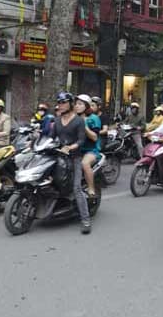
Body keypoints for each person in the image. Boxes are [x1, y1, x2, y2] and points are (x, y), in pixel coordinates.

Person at [52, 91, 91, 234]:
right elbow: (51, 138)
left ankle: (86, 220)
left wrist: (70, 147)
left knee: (77, 188)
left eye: (63, 102)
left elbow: (81, 140)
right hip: (58, 156)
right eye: (59, 103)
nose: (60, 105)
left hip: (74, 157)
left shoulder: (79, 121)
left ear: (70, 104)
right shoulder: (56, 120)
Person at [75, 94, 101, 200]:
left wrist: (84, 126)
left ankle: (91, 188)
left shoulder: (93, 118)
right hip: (76, 149)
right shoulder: (73, 118)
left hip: (91, 150)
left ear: (86, 106)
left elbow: (95, 137)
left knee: (84, 163)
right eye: (76, 104)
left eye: (80, 104)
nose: (77, 106)